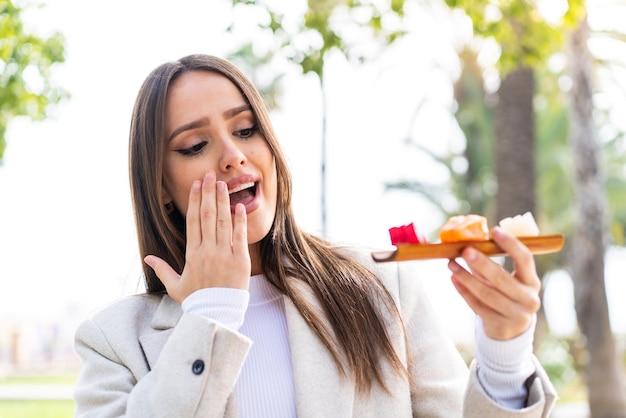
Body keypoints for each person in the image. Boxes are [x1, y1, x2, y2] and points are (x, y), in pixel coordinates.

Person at [73, 54, 557, 417]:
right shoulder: (112, 342)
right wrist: (210, 313)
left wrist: (504, 353)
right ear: (160, 187)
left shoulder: (384, 285)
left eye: (245, 130)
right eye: (195, 145)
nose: (232, 156)